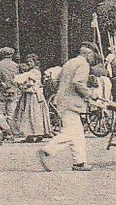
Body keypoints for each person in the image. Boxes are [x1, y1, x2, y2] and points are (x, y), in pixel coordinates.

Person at [39, 42, 97, 171]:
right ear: (89, 54)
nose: (93, 59)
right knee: (71, 132)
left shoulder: (69, 62)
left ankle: (79, 162)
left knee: (77, 133)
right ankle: (48, 150)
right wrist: (90, 94)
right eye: (93, 55)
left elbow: (56, 80)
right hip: (72, 102)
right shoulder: (83, 64)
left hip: (62, 101)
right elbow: (78, 82)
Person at [12, 53, 51, 141]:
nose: (29, 63)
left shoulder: (34, 72)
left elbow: (30, 83)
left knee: (33, 113)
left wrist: (23, 86)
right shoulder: (31, 71)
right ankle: (32, 133)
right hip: (29, 94)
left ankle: (35, 132)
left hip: (33, 95)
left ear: (35, 62)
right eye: (28, 62)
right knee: (29, 114)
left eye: (31, 61)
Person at [0, 48, 21, 128]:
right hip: (13, 90)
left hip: (1, 91)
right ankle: (11, 130)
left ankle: (5, 129)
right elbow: (18, 79)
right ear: (11, 55)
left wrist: (0, 85)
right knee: (11, 112)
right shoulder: (15, 65)